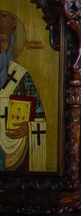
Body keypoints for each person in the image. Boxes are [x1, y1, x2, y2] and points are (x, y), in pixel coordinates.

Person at [0, 11, 47, 172]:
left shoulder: (21, 76)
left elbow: (40, 117)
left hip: (14, 145)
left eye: (3, 42)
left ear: (12, 43)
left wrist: (28, 127)